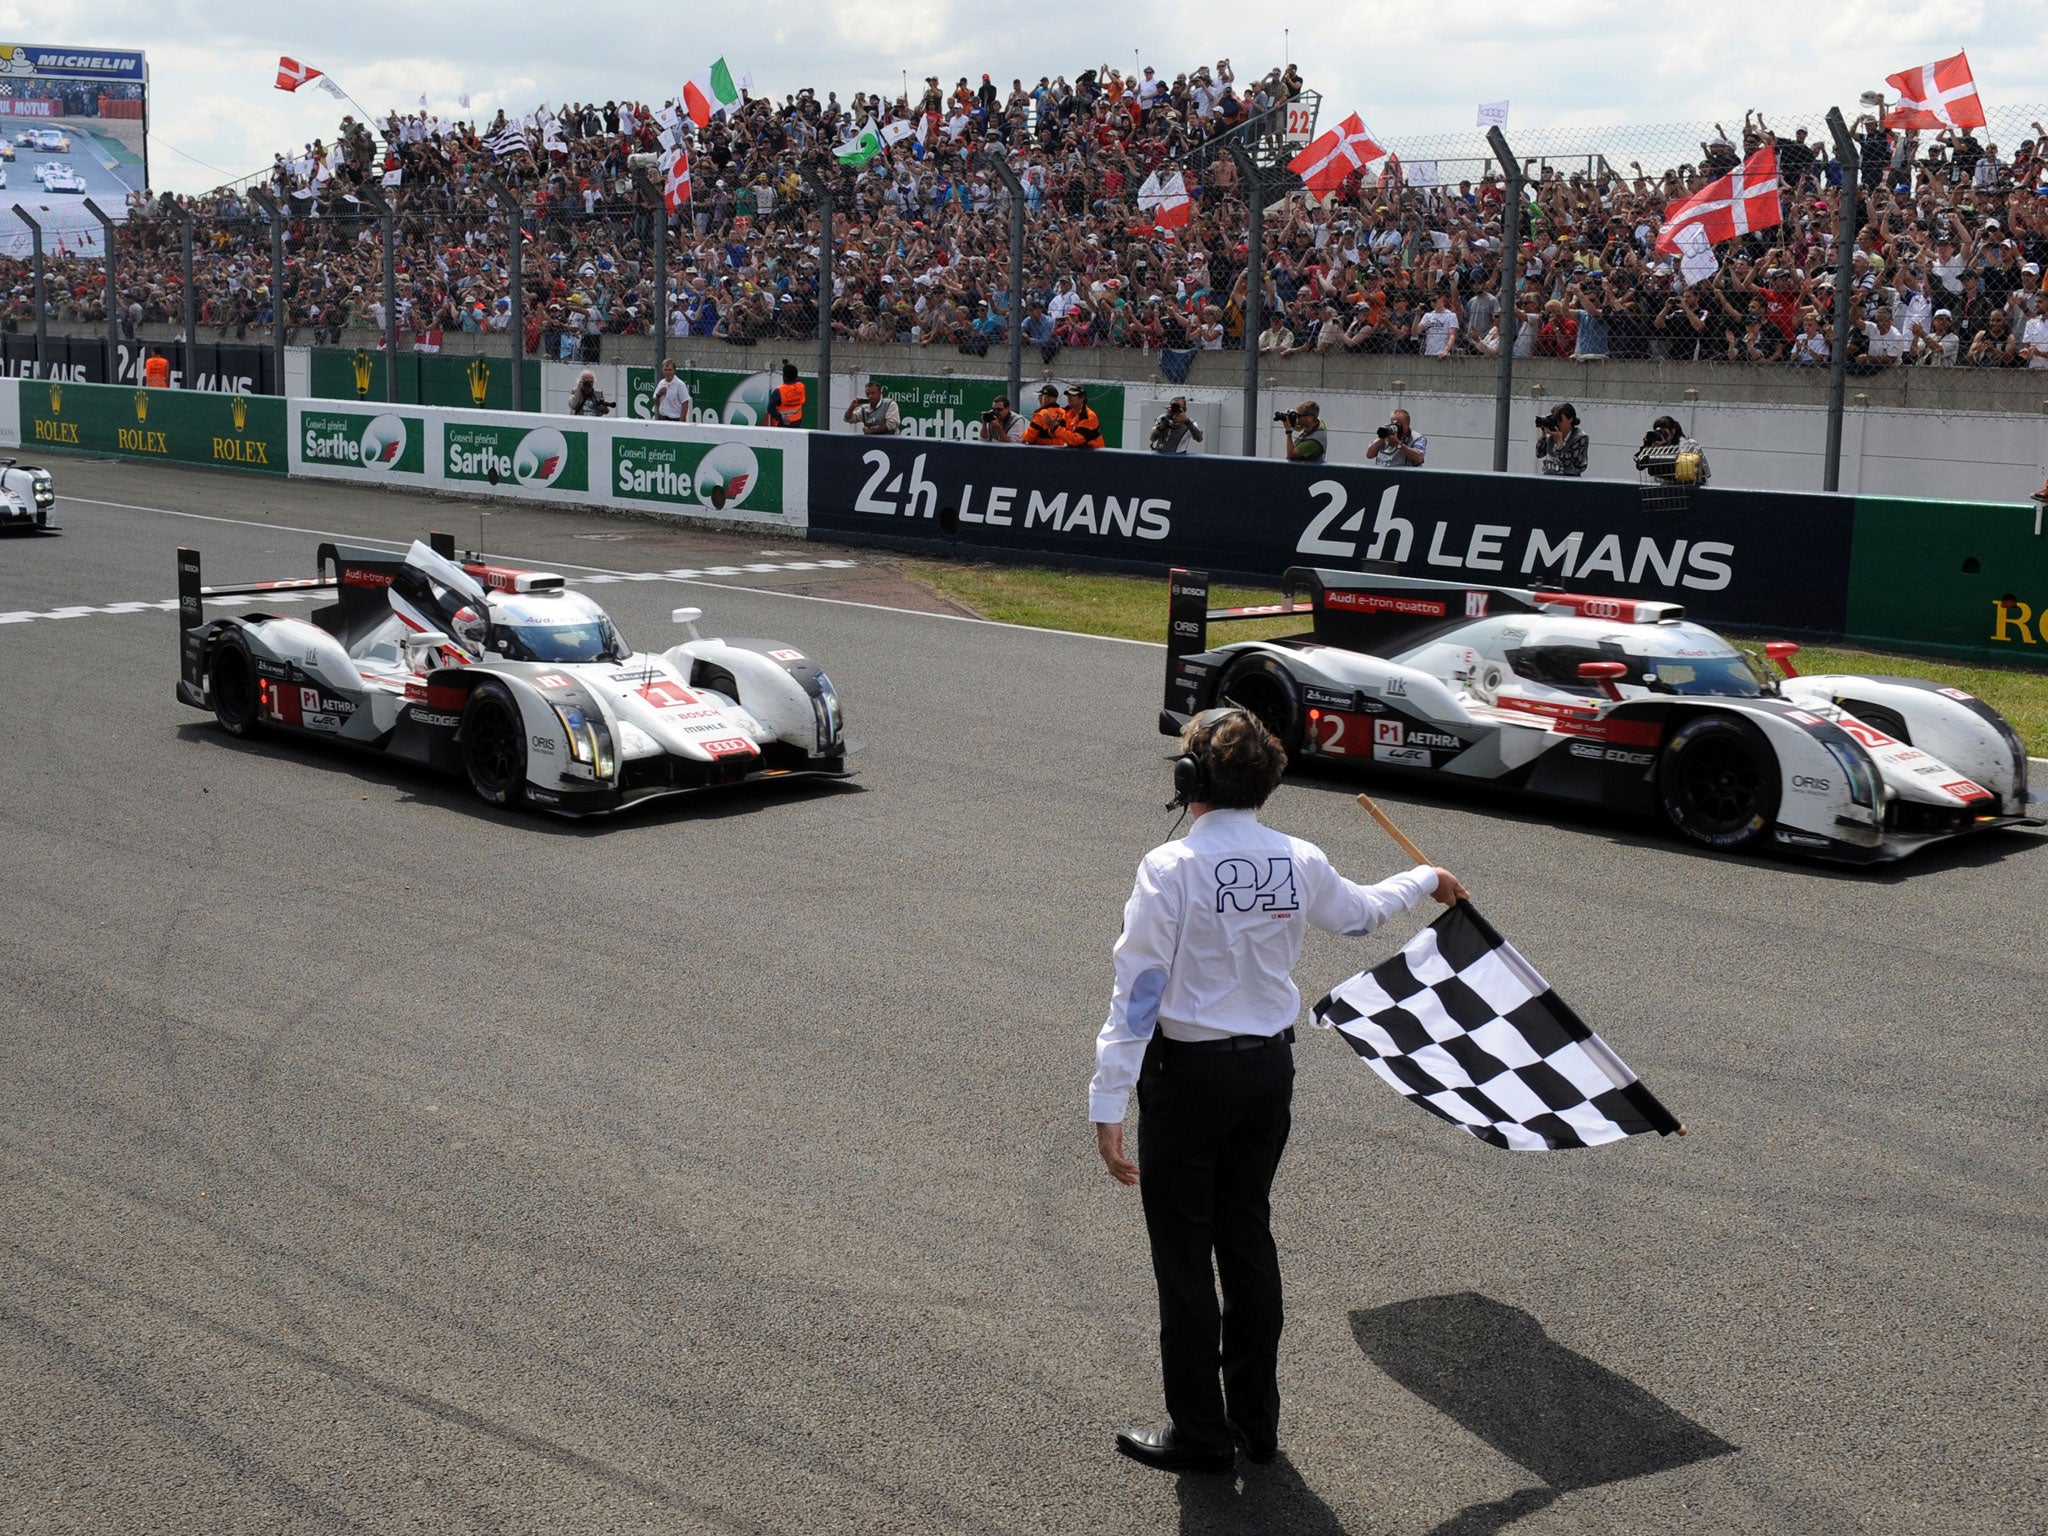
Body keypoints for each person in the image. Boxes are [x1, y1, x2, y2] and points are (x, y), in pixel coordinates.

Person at [1091, 707, 1467, 1473]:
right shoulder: (1299, 857)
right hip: (1267, 1073)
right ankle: (1257, 1426)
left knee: (1185, 1258)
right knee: (1248, 1238)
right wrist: (1426, 876)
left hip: (1188, 1078)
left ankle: (1201, 1433)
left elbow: (1139, 993)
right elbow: (1361, 915)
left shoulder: (1170, 869)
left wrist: (1108, 1100)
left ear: (1189, 781)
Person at [1632, 414, 1709, 487]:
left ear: (1673, 431)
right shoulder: (1656, 448)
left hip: (1686, 490)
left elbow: (1705, 473)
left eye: (1664, 432)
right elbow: (1640, 466)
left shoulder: (1688, 445)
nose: (1662, 435)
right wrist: (1648, 446)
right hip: (1663, 490)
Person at [1536, 401, 1588, 476]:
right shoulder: (1552, 434)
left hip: (1568, 481)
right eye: (1555, 420)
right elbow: (1539, 454)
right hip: (1549, 477)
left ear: (1571, 419)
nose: (1558, 423)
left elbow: (1566, 462)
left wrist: (1560, 441)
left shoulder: (1580, 437)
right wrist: (1543, 434)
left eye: (1560, 420)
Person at [765, 361, 807, 427]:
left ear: (784, 377)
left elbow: (770, 409)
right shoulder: (801, 386)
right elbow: (796, 378)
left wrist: (780, 417)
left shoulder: (778, 391)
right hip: (797, 421)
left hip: (783, 423)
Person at [650, 358, 690, 422]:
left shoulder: (680, 384)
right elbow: (656, 403)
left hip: (676, 419)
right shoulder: (661, 383)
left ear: (674, 370)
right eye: (665, 370)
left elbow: (685, 404)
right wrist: (658, 395)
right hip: (663, 418)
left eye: (670, 370)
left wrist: (680, 422)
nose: (668, 372)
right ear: (662, 370)